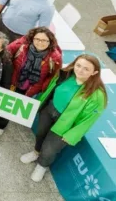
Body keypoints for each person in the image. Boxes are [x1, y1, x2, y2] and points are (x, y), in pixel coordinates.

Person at [20, 54, 107, 182]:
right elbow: (51, 90)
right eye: (78, 65)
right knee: (40, 134)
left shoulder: (97, 95)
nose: (80, 70)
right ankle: (36, 152)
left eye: (86, 69)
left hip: (67, 123)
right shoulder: (65, 74)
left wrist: (72, 134)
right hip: (49, 110)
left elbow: (88, 120)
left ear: (94, 72)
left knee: (50, 148)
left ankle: (42, 165)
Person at [0, 27, 62, 134]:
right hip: (11, 81)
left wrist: (42, 86)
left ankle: (1, 124)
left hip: (29, 88)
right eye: (37, 39)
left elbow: (53, 75)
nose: (40, 43)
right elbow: (7, 51)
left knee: (11, 106)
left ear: (50, 41)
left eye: (44, 40)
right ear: (32, 38)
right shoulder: (22, 45)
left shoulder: (54, 57)